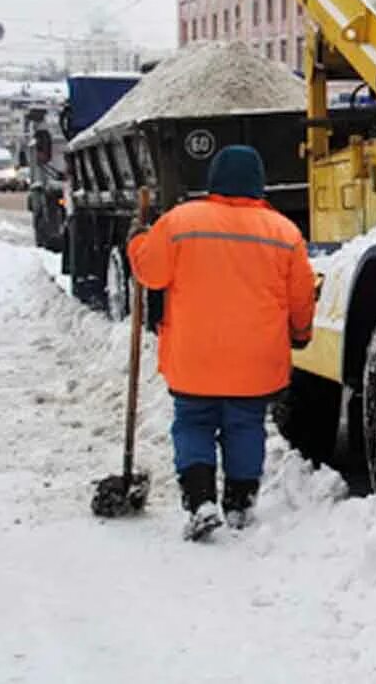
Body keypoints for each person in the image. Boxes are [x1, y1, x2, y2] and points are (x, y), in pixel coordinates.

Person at [128, 145, 316, 541]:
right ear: (258, 183)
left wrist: (137, 241)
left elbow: (151, 273)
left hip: (194, 355)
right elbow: (301, 297)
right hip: (256, 359)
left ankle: (200, 502)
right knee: (245, 425)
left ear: (213, 179)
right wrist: (300, 333)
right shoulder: (284, 233)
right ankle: (239, 504)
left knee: (194, 422)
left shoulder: (179, 222)